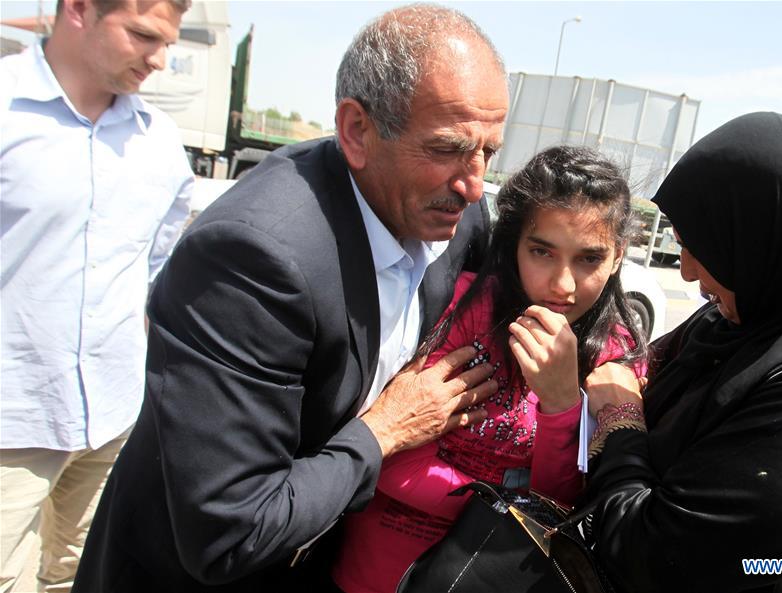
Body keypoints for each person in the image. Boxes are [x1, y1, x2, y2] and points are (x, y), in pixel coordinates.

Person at [72, 4, 508, 591]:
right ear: (357, 130)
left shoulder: (453, 207)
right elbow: (232, 531)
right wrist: (386, 430)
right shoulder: (252, 259)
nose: (473, 183)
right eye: (446, 148)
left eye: (489, 152)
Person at [580, 112, 782, 592]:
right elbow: (637, 368)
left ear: (768, 244)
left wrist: (620, 420)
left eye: (704, 247)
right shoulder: (750, 317)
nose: (687, 272)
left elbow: (652, 558)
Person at [332, 145, 648, 593]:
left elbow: (561, 503)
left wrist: (560, 404)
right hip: (381, 573)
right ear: (515, 242)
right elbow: (389, 456)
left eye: (588, 259)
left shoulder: (614, 356)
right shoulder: (463, 309)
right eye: (542, 252)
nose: (562, 285)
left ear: (618, 256)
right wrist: (505, 501)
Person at [0, 0, 193, 591]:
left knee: (83, 573)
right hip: (12, 421)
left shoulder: (159, 144)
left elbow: (154, 274)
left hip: (111, 416)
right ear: (79, 9)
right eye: (142, 35)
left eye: (167, 42)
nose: (159, 60)